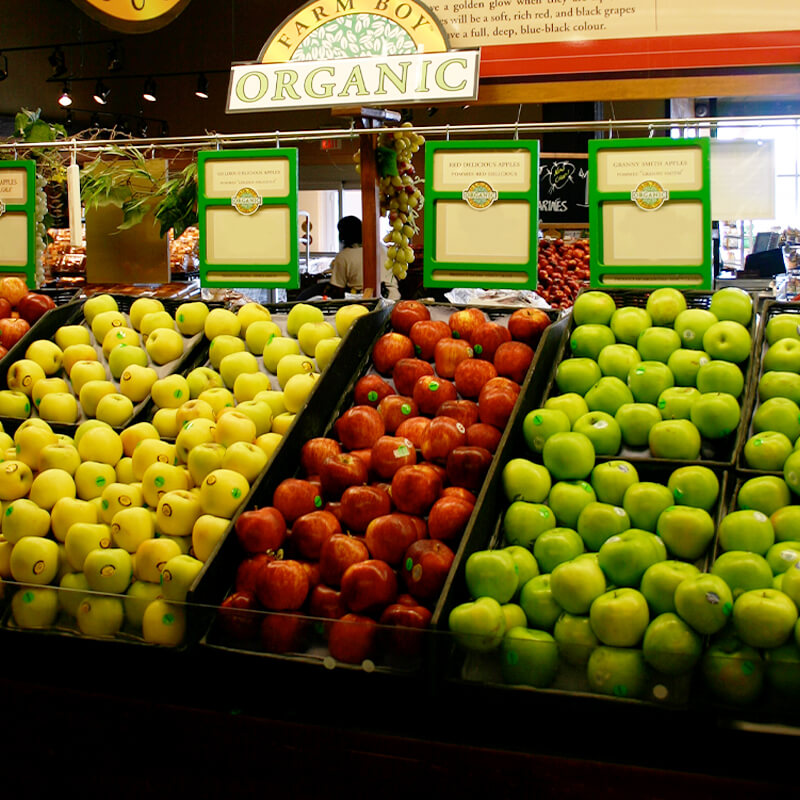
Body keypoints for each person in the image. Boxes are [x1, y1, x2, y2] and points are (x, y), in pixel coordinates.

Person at [297, 216, 399, 300]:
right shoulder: (381, 247)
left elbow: (338, 290)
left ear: (342, 236)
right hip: (393, 297)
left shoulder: (344, 257)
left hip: (366, 301)